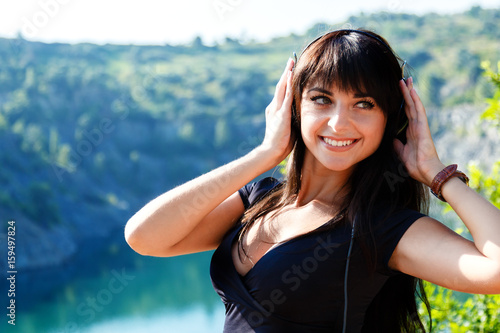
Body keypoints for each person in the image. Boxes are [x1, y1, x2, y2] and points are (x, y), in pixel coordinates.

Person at [124, 29, 500, 332]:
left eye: (363, 104)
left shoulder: (380, 228)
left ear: (390, 120)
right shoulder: (259, 199)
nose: (339, 123)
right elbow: (144, 236)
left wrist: (438, 175)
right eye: (321, 99)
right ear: (293, 107)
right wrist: (263, 155)